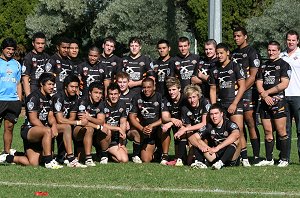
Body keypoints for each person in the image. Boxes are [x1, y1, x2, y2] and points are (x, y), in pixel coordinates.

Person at [3, 73, 63, 168]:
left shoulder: (50, 98)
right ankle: (49, 161)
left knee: (33, 163)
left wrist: (54, 126)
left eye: (53, 84)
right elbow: (33, 119)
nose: (52, 87)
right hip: (29, 130)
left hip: (42, 130)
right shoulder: (33, 97)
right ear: (41, 84)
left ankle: (10, 157)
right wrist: (47, 130)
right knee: (47, 130)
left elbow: (51, 116)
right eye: (49, 84)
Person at [209, 43, 246, 165]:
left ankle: (244, 158)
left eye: (221, 53)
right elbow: (213, 89)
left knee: (238, 130)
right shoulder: (214, 68)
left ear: (227, 53)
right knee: (220, 131)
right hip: (221, 105)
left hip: (234, 103)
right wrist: (214, 107)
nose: (219, 56)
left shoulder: (235, 66)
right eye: (217, 53)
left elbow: (242, 86)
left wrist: (234, 103)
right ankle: (226, 159)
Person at [255, 41, 290, 167]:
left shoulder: (284, 65)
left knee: (281, 131)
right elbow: (258, 83)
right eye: (269, 50)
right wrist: (264, 95)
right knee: (268, 132)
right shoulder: (263, 66)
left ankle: (284, 159)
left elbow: (284, 84)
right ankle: (269, 159)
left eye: (274, 50)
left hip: (278, 102)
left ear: (279, 51)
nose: (271, 52)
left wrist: (266, 93)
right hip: (265, 103)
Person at [232, 27, 261, 166]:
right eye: (235, 36)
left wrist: (242, 90)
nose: (236, 38)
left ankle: (256, 156)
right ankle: (242, 155)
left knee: (250, 121)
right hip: (237, 92)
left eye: (238, 36)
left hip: (248, 91)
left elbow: (253, 76)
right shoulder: (233, 53)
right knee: (239, 124)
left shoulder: (252, 52)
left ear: (245, 37)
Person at [187, 104, 241, 170]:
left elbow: (236, 134)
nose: (214, 116)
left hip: (231, 158)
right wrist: (200, 146)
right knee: (197, 140)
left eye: (216, 113)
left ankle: (221, 163)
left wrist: (218, 147)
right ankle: (200, 162)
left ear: (221, 114)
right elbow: (192, 137)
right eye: (211, 114)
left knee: (236, 140)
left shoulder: (229, 124)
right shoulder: (209, 126)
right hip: (215, 156)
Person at [52, 75, 87, 167]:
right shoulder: (58, 97)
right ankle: (71, 158)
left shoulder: (75, 98)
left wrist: (72, 122)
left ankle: (64, 156)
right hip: (51, 125)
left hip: (64, 125)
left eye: (76, 87)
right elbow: (59, 119)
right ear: (66, 86)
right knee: (67, 127)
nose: (74, 89)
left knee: (70, 127)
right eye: (72, 87)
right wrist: (78, 122)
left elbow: (72, 117)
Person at [73, 82, 110, 166]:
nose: (98, 95)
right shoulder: (83, 102)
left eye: (100, 93)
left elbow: (101, 121)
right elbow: (83, 122)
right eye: (96, 92)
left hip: (94, 130)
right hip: (78, 130)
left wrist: (89, 118)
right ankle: (88, 159)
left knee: (107, 131)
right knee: (90, 129)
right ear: (90, 92)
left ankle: (103, 155)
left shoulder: (101, 103)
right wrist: (97, 126)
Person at [173, 84, 210, 166]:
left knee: (190, 134)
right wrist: (182, 130)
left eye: (194, 97)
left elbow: (204, 123)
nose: (192, 100)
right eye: (189, 98)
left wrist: (184, 129)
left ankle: (201, 158)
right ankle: (181, 159)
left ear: (198, 96)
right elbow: (188, 126)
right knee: (185, 134)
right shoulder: (185, 107)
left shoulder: (205, 102)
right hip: (193, 130)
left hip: (207, 128)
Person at [129, 78, 163, 162]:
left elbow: (165, 117)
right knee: (146, 159)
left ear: (154, 87)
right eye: (144, 87)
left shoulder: (160, 97)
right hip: (143, 131)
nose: (146, 90)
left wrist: (152, 125)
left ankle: (161, 150)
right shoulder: (137, 97)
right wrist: (142, 129)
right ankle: (141, 150)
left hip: (156, 129)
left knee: (164, 128)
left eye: (149, 87)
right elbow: (131, 117)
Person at [0, 38, 22, 155]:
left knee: (9, 127)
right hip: (0, 100)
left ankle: (6, 152)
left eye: (12, 49)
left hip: (13, 101)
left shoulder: (17, 64)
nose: (10, 51)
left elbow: (18, 83)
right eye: (8, 49)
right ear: (3, 49)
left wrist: (19, 100)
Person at [280, 30, 300, 161]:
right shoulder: (281, 55)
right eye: (289, 40)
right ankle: (284, 159)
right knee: (285, 130)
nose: (291, 42)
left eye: (293, 40)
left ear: (297, 41)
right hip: (283, 96)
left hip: (298, 95)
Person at [161, 77, 188, 165]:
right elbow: (164, 117)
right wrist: (172, 120)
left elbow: (185, 119)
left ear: (179, 89)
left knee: (184, 158)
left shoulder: (185, 99)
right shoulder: (166, 99)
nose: (171, 92)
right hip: (173, 123)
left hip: (186, 123)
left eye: (174, 89)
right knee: (163, 127)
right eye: (169, 90)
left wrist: (171, 122)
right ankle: (165, 155)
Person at [99, 82, 128, 163]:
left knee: (124, 159)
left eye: (115, 94)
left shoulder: (122, 104)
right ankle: (103, 151)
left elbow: (123, 123)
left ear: (119, 94)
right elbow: (102, 124)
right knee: (107, 130)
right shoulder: (102, 105)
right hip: (104, 136)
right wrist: (117, 128)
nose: (113, 96)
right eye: (111, 94)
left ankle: (109, 153)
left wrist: (121, 141)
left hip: (115, 138)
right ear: (107, 95)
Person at [116, 72, 142, 163]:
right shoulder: (113, 94)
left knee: (136, 133)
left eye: (124, 82)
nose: (122, 84)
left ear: (128, 82)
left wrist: (130, 122)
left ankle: (135, 155)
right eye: (119, 82)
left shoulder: (135, 95)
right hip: (116, 126)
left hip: (130, 126)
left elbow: (139, 114)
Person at [22, 32, 51, 97]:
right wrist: (29, 97)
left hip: (45, 92)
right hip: (33, 91)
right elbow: (25, 79)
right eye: (38, 43)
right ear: (33, 43)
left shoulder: (47, 57)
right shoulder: (28, 57)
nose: (40, 46)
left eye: (42, 43)